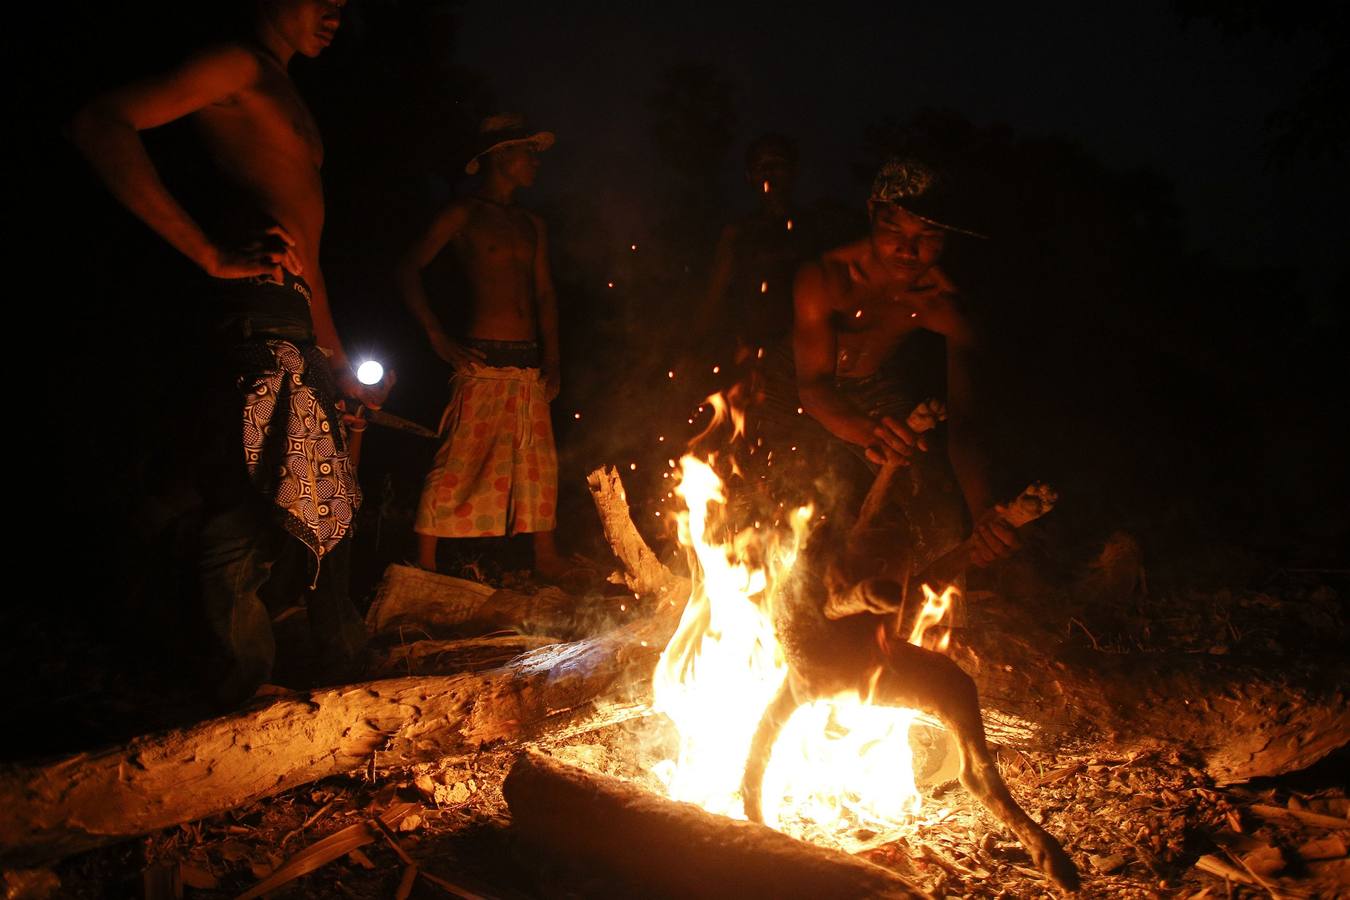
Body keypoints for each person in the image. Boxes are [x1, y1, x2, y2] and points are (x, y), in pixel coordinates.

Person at [68, 0, 392, 705]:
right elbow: (100, 123)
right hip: (249, 315)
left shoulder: (285, 85)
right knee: (246, 511)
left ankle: (339, 665)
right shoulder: (234, 62)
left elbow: (309, 250)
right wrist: (210, 254)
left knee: (326, 496)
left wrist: (334, 358)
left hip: (291, 317)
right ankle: (237, 689)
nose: (338, 9)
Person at [770, 156, 1016, 570]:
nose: (907, 248)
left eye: (927, 235)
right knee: (777, 497)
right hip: (787, 383)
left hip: (874, 386)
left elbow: (966, 423)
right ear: (871, 213)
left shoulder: (948, 307)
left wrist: (984, 510)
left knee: (937, 514)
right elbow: (813, 388)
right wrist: (868, 432)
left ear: (948, 235)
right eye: (893, 229)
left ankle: (925, 617)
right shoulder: (827, 277)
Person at [397, 114, 568, 580]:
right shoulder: (464, 214)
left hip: (528, 359)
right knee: (458, 457)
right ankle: (426, 563)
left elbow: (545, 294)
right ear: (500, 156)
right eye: (527, 151)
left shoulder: (532, 223)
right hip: (480, 355)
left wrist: (552, 359)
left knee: (537, 462)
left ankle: (546, 557)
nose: (535, 160)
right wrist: (437, 336)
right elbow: (408, 267)